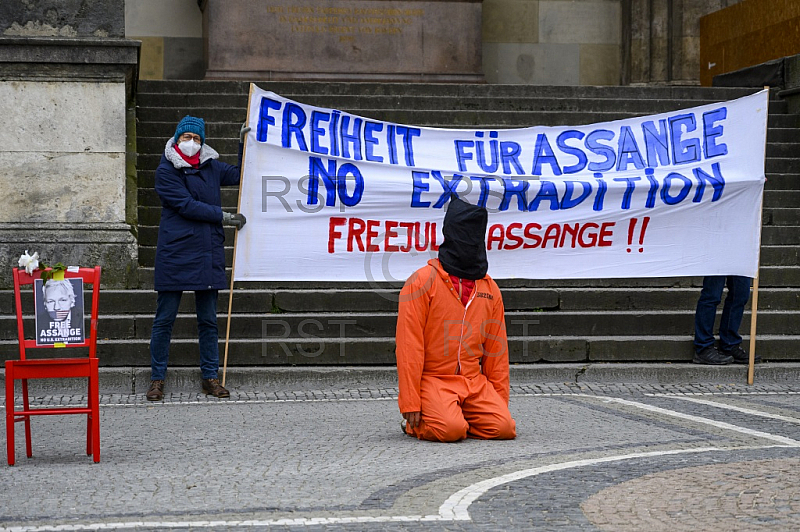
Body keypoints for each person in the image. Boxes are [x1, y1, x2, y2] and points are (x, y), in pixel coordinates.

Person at [395, 197, 516, 442]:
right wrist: (410, 400)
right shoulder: (421, 282)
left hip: (473, 381)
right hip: (434, 379)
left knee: (504, 428)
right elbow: (409, 346)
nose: (469, 241)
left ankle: (455, 415)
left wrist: (499, 402)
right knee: (451, 431)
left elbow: (496, 350)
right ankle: (417, 424)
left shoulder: (489, 287)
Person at [146, 115, 249, 401]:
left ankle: (210, 377)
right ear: (177, 139)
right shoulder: (165, 171)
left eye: (197, 139)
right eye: (186, 138)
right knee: (164, 319)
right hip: (176, 251)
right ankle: (157, 378)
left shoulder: (211, 166)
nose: (191, 143)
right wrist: (223, 216)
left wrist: (244, 144)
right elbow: (185, 205)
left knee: (208, 320)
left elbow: (242, 174)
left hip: (206, 251)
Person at [693, 275, 760, 365]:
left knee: (740, 294)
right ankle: (703, 347)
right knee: (712, 294)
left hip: (742, 261)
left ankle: (729, 344)